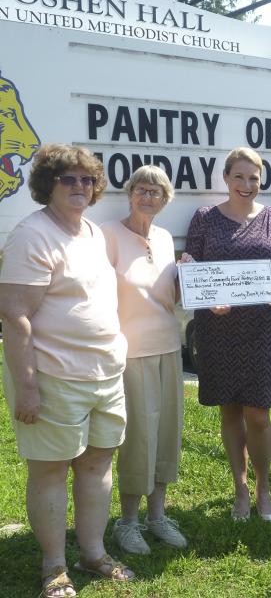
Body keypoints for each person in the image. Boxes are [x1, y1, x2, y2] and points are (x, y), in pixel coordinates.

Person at [0, 144, 134, 598]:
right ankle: (54, 568)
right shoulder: (31, 236)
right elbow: (15, 316)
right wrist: (28, 387)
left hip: (104, 373)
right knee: (51, 471)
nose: (80, 187)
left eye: (88, 180)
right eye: (69, 179)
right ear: (47, 185)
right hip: (54, 376)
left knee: (97, 464)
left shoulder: (92, 233)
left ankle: (92, 554)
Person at [183, 147, 271, 522]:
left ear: (260, 180)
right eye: (239, 176)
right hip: (217, 327)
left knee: (259, 412)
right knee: (229, 409)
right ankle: (240, 488)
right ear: (226, 178)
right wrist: (205, 297)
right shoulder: (204, 218)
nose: (246, 185)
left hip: (264, 327)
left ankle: (265, 487)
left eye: (253, 178)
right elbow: (191, 269)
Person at [101, 165, 186, 554]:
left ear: (165, 200)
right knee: (138, 437)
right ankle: (127, 522)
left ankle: (158, 516)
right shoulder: (110, 237)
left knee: (166, 433)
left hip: (170, 347)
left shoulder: (167, 239)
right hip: (130, 352)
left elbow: (171, 297)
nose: (147, 197)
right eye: (141, 189)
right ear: (129, 193)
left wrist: (198, 287)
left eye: (156, 192)